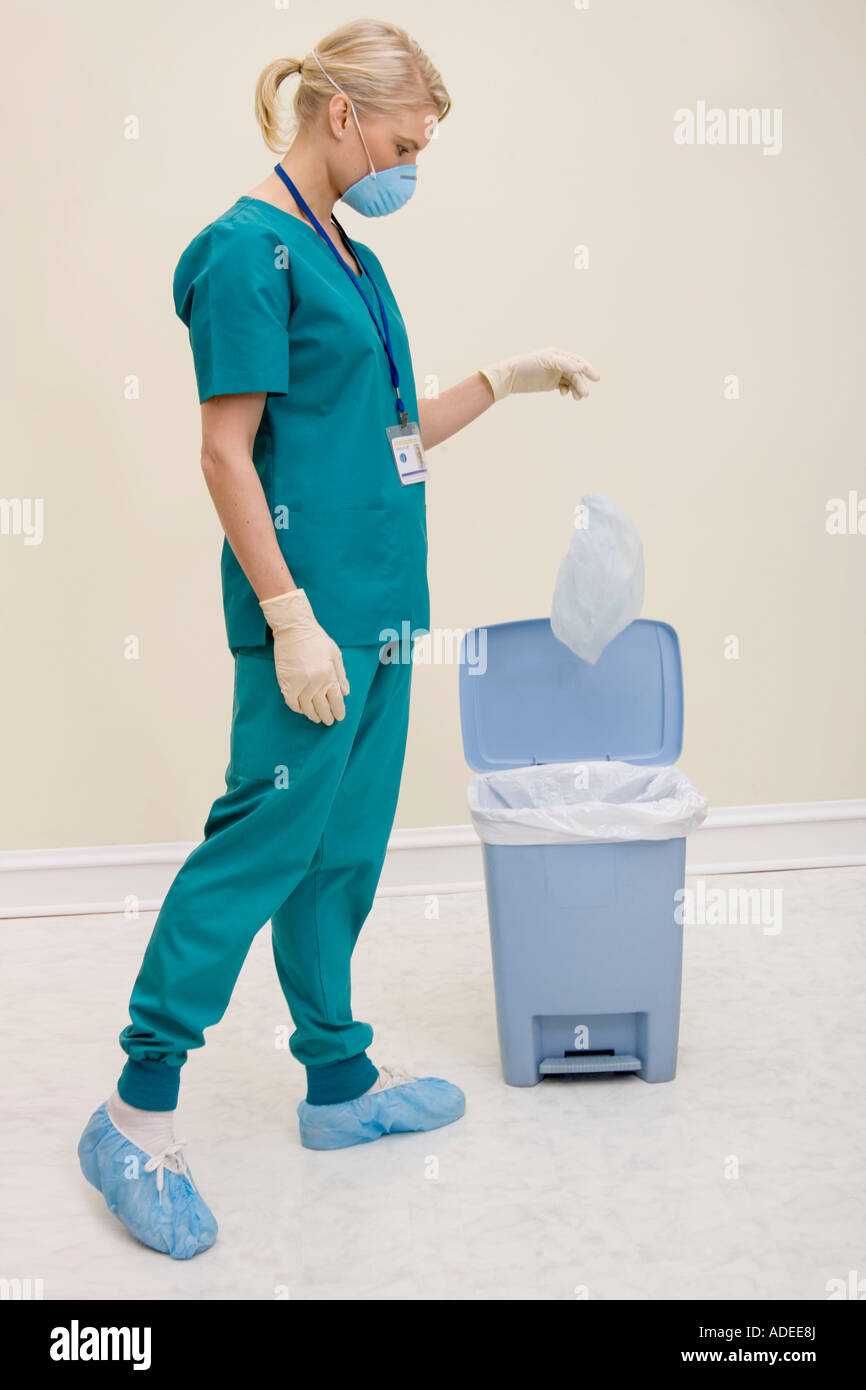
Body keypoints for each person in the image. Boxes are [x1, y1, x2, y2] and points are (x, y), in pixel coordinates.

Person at [78, 17, 600, 1261]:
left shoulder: (347, 259)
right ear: (342, 117)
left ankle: (336, 1083)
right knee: (256, 850)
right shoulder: (243, 254)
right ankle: (133, 1110)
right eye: (407, 137)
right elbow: (223, 449)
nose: (412, 160)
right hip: (308, 626)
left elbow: (384, 433)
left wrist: (505, 378)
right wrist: (290, 616)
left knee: (341, 856)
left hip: (382, 620)